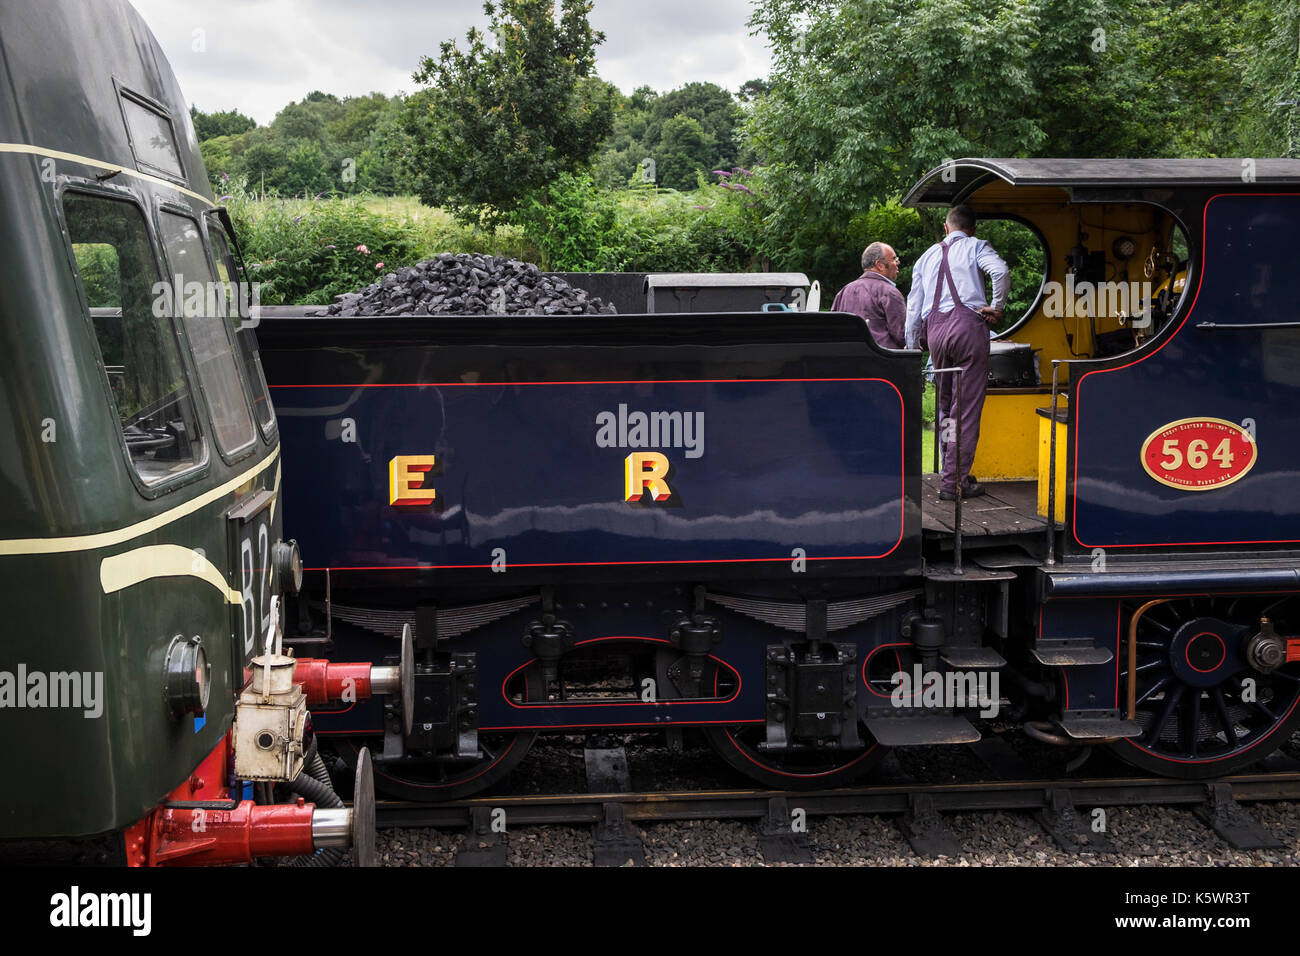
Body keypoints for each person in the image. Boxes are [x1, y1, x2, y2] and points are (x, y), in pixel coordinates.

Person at [905, 205, 1009, 501]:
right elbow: (1000, 271)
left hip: (935, 332)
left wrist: (913, 349)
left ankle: (950, 471)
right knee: (966, 409)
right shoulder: (976, 246)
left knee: (945, 405)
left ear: (945, 227)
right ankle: (954, 483)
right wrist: (997, 307)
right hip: (967, 330)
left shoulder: (926, 257)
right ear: (972, 229)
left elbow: (914, 309)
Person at [831, 242, 906, 349]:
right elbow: (902, 335)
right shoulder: (889, 292)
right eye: (894, 259)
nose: (898, 262)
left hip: (848, 359)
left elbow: (834, 328)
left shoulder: (844, 291)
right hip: (884, 360)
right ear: (879, 265)